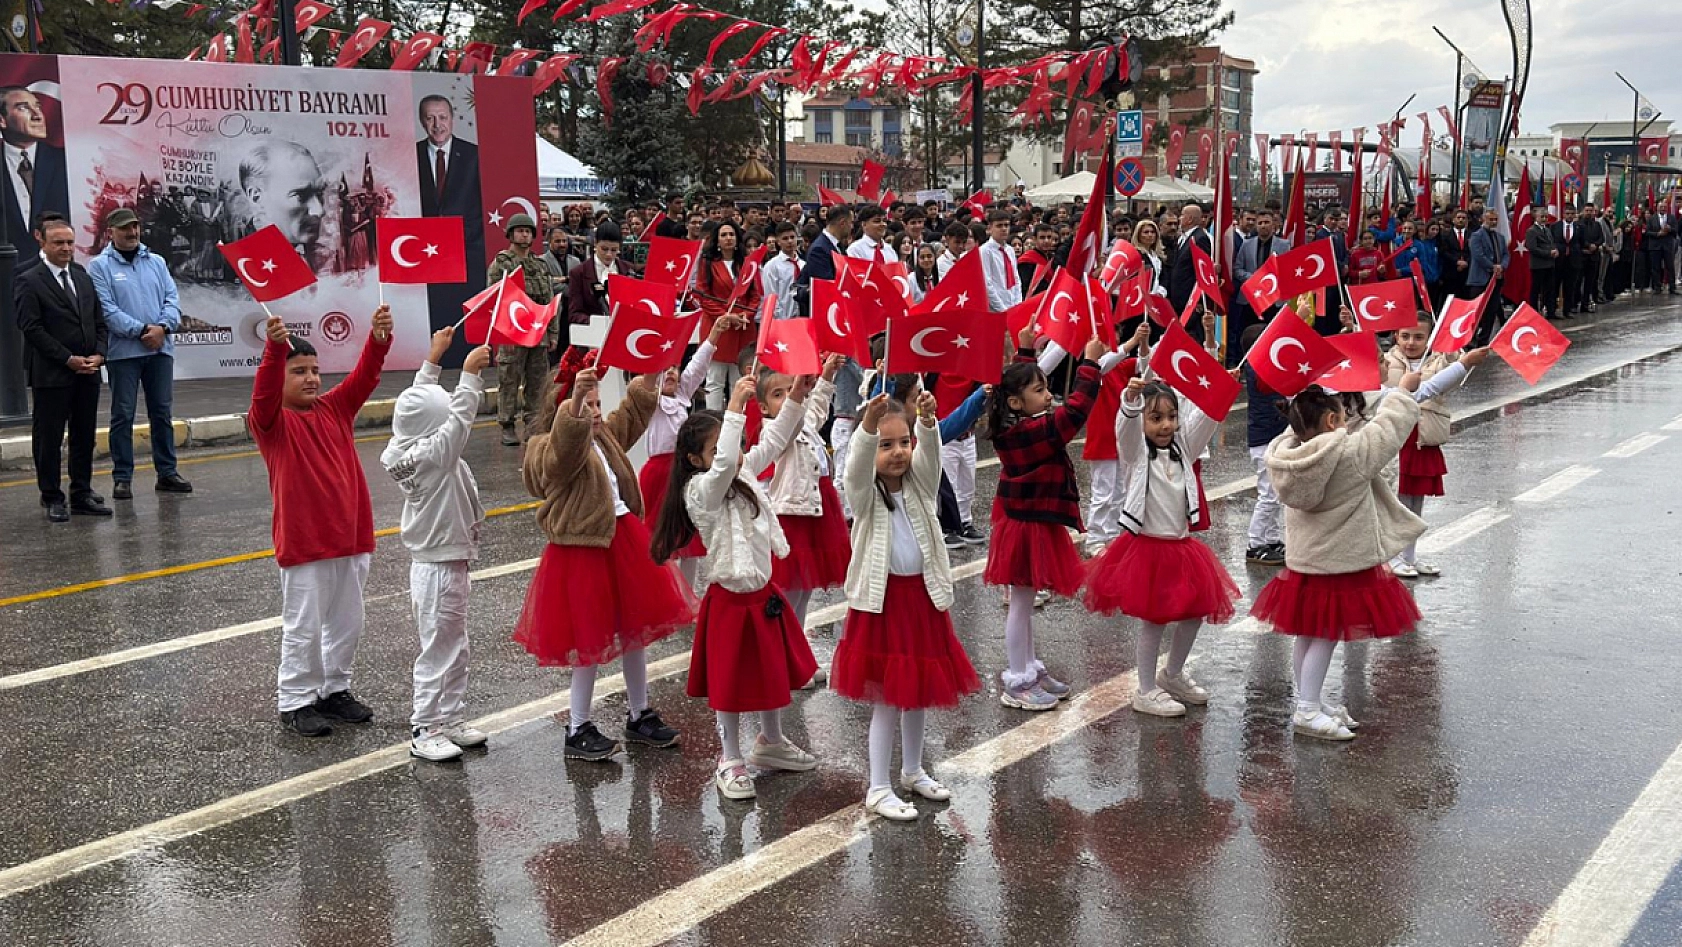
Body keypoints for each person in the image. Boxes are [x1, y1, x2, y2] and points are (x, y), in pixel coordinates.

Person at [651, 376, 820, 801]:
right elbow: (725, 464)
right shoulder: (700, 490)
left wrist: (797, 396)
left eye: (734, 446)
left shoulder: (739, 468)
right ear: (694, 459)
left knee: (770, 671)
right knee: (728, 683)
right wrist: (734, 410)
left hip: (762, 594)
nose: (734, 454)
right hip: (730, 599)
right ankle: (729, 758)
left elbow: (774, 440)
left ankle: (771, 741)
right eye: (716, 451)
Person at [513, 367, 694, 762]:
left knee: (634, 634)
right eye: (587, 404)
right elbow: (561, 457)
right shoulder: (547, 447)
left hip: (620, 539)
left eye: (597, 403)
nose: (595, 412)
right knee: (589, 642)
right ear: (562, 410)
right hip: (583, 551)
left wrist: (650, 380)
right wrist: (575, 404)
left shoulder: (603, 437)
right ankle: (577, 726)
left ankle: (639, 713)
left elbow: (630, 416)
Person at [834, 392, 980, 821]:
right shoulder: (864, 494)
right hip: (882, 605)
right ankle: (878, 787)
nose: (897, 452)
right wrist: (867, 427)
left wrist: (928, 423)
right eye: (886, 445)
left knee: (917, 696)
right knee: (887, 700)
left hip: (922, 599)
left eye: (903, 442)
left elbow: (930, 460)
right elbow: (855, 470)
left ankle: (913, 770)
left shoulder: (920, 485)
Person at [1250, 385, 1427, 741]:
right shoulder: (1349, 454)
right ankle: (1307, 709)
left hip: (1305, 565)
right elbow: (1389, 428)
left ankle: (1310, 700)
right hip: (1337, 563)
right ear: (1332, 420)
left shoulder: (1287, 455)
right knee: (1326, 635)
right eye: (1343, 415)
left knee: (1307, 634)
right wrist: (1401, 392)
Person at [251, 306, 393, 736]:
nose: (311, 378)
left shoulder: (335, 408)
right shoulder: (272, 423)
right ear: (280, 378)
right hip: (305, 544)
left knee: (348, 623)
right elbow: (263, 393)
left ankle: (335, 689)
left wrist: (378, 340)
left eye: (315, 370)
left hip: (352, 539)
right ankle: (295, 700)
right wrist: (274, 350)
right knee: (305, 626)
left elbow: (365, 377)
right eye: (299, 372)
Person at [1085, 378, 1240, 717]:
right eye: (1156, 418)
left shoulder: (1184, 447)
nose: (1166, 425)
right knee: (1154, 622)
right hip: (1148, 549)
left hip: (1182, 548)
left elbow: (1205, 421)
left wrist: (1222, 389)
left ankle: (1172, 675)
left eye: (1171, 417)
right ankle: (1145, 690)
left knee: (1194, 615)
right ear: (1143, 420)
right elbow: (1125, 431)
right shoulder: (1136, 453)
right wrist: (1130, 400)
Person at [381, 328, 495, 762]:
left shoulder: (407, 443)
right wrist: (469, 376)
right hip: (438, 568)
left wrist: (433, 359)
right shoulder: (433, 457)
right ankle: (425, 726)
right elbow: (458, 421)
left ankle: (450, 717)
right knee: (439, 649)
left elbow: (420, 399)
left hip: (447, 561)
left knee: (455, 646)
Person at [983, 333, 1113, 711]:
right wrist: (1089, 365)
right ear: (1016, 402)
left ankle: (1030, 669)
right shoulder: (1026, 432)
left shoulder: (1018, 421)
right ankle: (1017, 680)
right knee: (1020, 605)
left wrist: (1025, 351)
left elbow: (1017, 384)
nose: (1048, 395)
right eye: (1039, 391)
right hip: (1024, 527)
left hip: (1032, 521)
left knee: (1025, 604)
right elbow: (1073, 414)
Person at [757, 358, 852, 681]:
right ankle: (784, 659)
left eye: (790, 390)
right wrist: (798, 395)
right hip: (793, 516)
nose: (787, 398)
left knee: (805, 590)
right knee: (789, 593)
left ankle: (796, 656)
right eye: (778, 394)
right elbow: (793, 421)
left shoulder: (802, 419)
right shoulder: (775, 430)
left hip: (817, 510)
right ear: (763, 407)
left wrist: (826, 376)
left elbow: (816, 412)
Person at [87, 207, 191, 499]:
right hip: (124, 353)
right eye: (125, 228)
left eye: (134, 227)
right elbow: (107, 310)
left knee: (162, 412)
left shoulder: (156, 261)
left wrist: (162, 328)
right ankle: (122, 477)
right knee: (123, 414)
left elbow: (172, 300)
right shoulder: (99, 266)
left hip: (160, 349)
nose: (132, 233)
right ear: (111, 232)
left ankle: (167, 472)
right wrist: (143, 330)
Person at [639, 314, 745, 589]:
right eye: (664, 369)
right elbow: (647, 384)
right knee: (663, 533)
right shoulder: (652, 402)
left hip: (683, 470)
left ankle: (686, 590)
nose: (671, 373)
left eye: (674, 367)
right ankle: (665, 588)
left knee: (689, 532)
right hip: (659, 474)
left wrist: (714, 335)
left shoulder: (682, 395)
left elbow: (697, 367)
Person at [16, 213, 109, 522]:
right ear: (43, 242)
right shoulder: (29, 280)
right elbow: (32, 328)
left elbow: (98, 321)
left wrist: (99, 354)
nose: (66, 248)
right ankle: (52, 496)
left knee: (84, 436)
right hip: (53, 374)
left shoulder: (82, 276)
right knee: (49, 439)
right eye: (59, 243)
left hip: (88, 372)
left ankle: (81, 492)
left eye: (70, 242)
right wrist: (67, 359)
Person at [1380, 318, 1491, 577]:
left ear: (1430, 339)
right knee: (1396, 501)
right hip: (1397, 437)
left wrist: (1461, 358)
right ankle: (1393, 557)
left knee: (1415, 502)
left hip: (1423, 437)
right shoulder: (1386, 362)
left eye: (1419, 337)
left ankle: (1409, 556)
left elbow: (1447, 380)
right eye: (1405, 336)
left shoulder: (1438, 361)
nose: (1411, 342)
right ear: (1396, 336)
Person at [486, 213, 556, 445]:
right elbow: (495, 298)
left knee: (537, 380)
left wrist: (552, 332)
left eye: (528, 231)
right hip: (513, 330)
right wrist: (503, 333)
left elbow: (549, 300)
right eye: (520, 231)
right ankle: (507, 424)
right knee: (509, 379)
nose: (524, 235)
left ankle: (533, 424)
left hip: (537, 329)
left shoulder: (540, 265)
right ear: (510, 234)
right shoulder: (501, 264)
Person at [1, 87, 70, 268]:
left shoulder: (66, 161)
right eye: (23, 108)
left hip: (54, 272)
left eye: (38, 106)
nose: (37, 115)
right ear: (2, 120)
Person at [695, 221, 760, 411]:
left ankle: (737, 419)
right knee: (715, 380)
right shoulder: (707, 263)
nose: (728, 238)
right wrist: (726, 316)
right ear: (717, 240)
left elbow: (755, 295)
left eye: (731, 234)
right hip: (718, 327)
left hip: (742, 328)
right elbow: (703, 295)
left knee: (739, 379)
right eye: (723, 235)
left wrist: (745, 315)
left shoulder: (747, 263)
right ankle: (714, 421)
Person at [239, 140, 327, 271]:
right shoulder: (244, 263)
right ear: (257, 198)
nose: (319, 211)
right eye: (301, 196)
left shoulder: (320, 256)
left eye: (319, 193)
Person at [1467, 207, 1509, 343]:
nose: (1493, 222)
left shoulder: (1500, 237)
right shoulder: (1476, 236)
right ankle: (1471, 338)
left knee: (1492, 310)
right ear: (1483, 219)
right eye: (1491, 219)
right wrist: (1492, 266)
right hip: (1480, 279)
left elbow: (1506, 254)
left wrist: (1502, 266)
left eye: (1495, 219)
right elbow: (1478, 255)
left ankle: (1484, 339)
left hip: (1496, 278)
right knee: (1478, 310)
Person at [1168, 203, 1211, 319]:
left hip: (1190, 300)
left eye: (1182, 215)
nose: (1179, 218)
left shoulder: (1200, 238)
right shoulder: (1184, 237)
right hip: (1178, 298)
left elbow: (1202, 271)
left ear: (1189, 219)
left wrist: (1199, 300)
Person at [1552, 205, 1591, 316]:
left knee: (1570, 287)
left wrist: (1588, 247)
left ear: (1575, 214)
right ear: (1563, 214)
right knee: (1555, 286)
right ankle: (1552, 310)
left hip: (1573, 261)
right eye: (1567, 213)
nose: (1570, 216)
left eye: (1572, 214)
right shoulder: (1555, 226)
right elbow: (1552, 240)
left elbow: (1583, 242)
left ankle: (1567, 310)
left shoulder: (1579, 227)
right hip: (1559, 260)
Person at [1524, 204, 1560, 320]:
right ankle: (1534, 312)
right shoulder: (1531, 231)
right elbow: (1532, 248)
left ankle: (1550, 311)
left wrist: (1555, 250)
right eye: (1542, 217)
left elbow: (1551, 243)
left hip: (1549, 264)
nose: (1544, 219)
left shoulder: (1547, 230)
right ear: (1536, 217)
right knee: (1536, 289)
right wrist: (1548, 253)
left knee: (1550, 289)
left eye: (1545, 217)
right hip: (1538, 265)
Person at [759, 222, 802, 320]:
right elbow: (770, 296)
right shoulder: (772, 266)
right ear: (778, 242)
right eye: (785, 238)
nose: (790, 241)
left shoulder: (803, 264)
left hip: (802, 318)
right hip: (782, 319)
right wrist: (780, 319)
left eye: (792, 237)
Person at [1437, 209, 1473, 300]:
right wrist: (1457, 261)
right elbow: (1443, 252)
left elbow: (1473, 251)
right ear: (1453, 220)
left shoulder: (1472, 235)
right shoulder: (1445, 235)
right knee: (1449, 298)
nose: (1461, 220)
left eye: (1463, 218)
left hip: (1467, 272)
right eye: (1458, 217)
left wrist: (1466, 262)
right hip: (1451, 272)